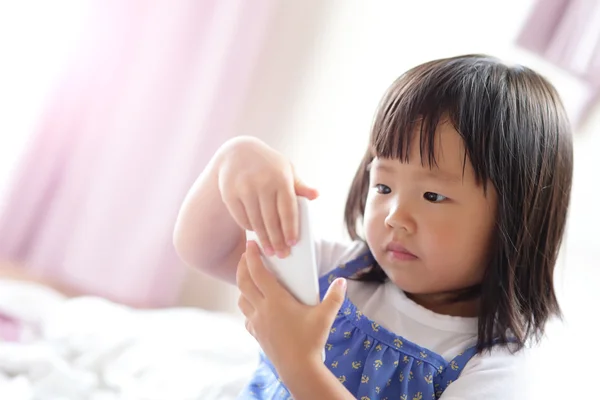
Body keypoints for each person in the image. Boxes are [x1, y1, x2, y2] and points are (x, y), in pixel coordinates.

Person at [173, 54, 573, 399]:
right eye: (383, 185)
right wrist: (233, 159)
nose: (394, 216)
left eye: (433, 196)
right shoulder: (339, 274)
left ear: (517, 221)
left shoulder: (491, 366)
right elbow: (206, 250)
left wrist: (299, 364)